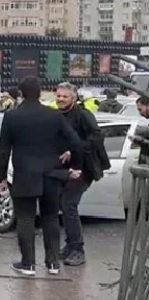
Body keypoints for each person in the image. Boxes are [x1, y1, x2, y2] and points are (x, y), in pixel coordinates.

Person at [0, 77, 83, 277]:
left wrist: (0, 175)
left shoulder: (11, 117)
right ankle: (53, 264)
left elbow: (4, 149)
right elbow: (75, 141)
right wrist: (75, 166)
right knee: (51, 218)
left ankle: (28, 264)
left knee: (25, 219)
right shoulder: (54, 116)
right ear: (41, 93)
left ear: (21, 94)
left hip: (25, 174)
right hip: (51, 174)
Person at [53, 82, 109, 267]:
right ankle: (70, 246)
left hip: (84, 167)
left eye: (65, 96)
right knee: (64, 205)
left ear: (74, 98)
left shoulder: (83, 115)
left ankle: (78, 249)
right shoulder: (57, 115)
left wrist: (74, 150)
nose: (60, 99)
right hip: (64, 169)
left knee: (69, 205)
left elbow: (97, 136)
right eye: (59, 96)